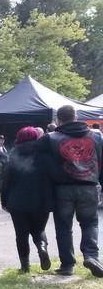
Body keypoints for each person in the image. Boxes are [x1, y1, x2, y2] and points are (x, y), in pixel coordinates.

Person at [38, 105, 103, 277]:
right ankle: (91, 256)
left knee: (64, 227)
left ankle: (67, 265)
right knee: (90, 223)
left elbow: (39, 161)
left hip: (62, 188)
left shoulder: (50, 138)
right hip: (89, 186)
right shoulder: (97, 136)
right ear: (77, 116)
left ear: (58, 119)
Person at [1, 126, 53, 273]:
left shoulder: (14, 153)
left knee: (21, 234)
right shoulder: (45, 153)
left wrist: (5, 201)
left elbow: (7, 180)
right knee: (39, 229)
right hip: (41, 199)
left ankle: (25, 267)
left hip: (18, 201)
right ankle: (42, 247)